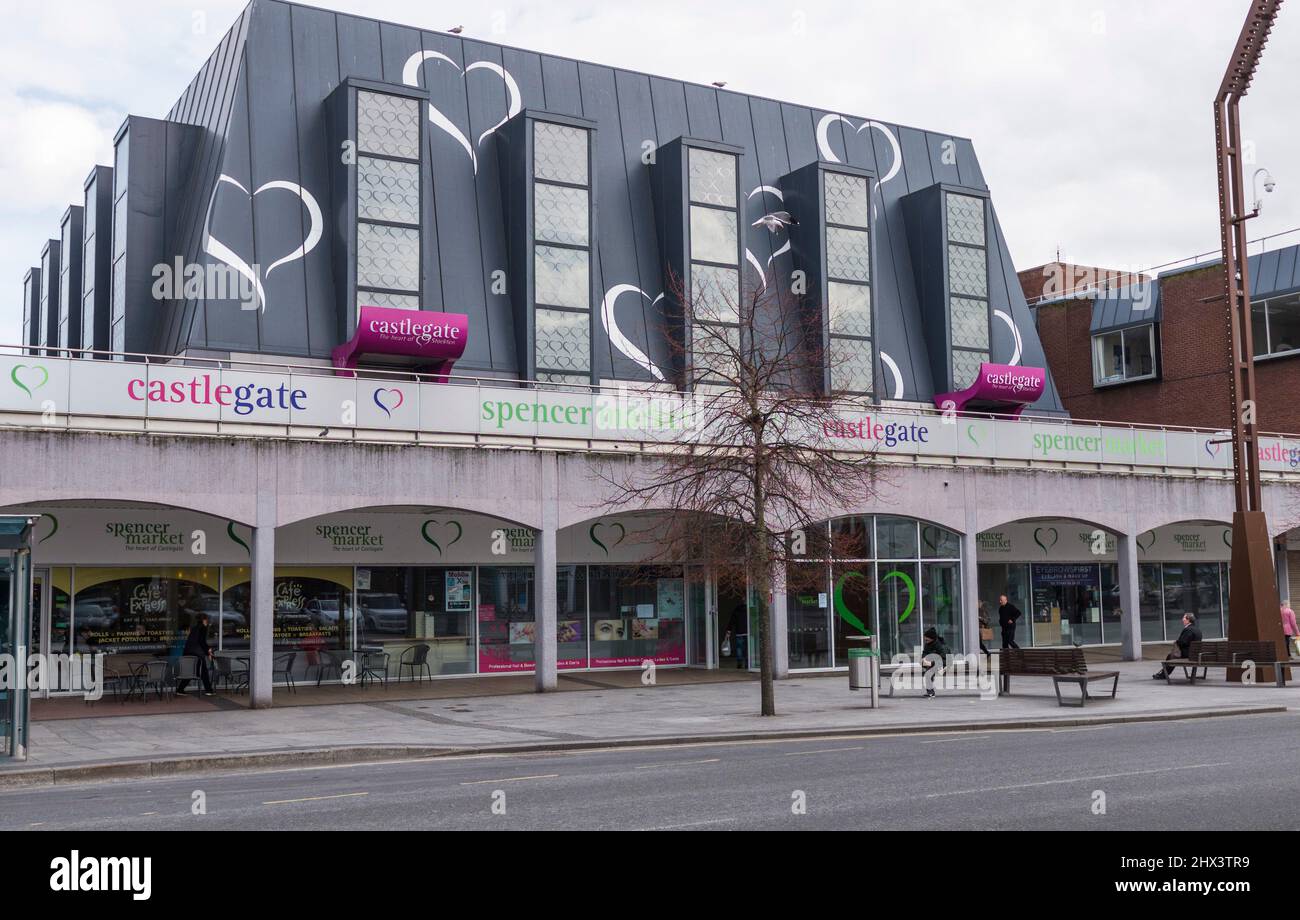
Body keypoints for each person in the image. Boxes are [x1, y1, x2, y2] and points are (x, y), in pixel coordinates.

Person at [1153, 612, 1202, 680]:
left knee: (1171, 656)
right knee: (1171, 656)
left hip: (1188, 654)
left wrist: (1177, 642)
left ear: (1188, 620)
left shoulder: (1188, 630)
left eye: (1184, 617)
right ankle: (1163, 674)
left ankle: (1163, 675)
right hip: (1195, 653)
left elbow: (1183, 642)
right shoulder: (1197, 629)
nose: (1182, 619)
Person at [176, 613, 215, 696]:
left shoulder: (194, 628)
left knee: (191, 671)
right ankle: (209, 690)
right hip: (197, 654)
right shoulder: (203, 628)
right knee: (204, 671)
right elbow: (201, 642)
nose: (208, 622)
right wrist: (208, 651)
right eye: (207, 620)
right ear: (204, 620)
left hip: (188, 652)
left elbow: (192, 641)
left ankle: (180, 689)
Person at [921, 626, 949, 698]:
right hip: (934, 663)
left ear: (931, 638)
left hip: (945, 663)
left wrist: (931, 663)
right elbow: (925, 652)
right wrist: (923, 659)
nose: (925, 639)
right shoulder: (928, 644)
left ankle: (931, 692)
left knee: (929, 673)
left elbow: (944, 659)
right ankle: (930, 692)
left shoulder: (941, 646)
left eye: (927, 638)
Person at [725, 602, 749, 669]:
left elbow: (732, 621)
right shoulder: (749, 609)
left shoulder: (736, 610)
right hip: (748, 632)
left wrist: (729, 630)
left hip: (739, 632)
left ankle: (739, 663)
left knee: (739, 648)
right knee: (747, 649)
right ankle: (747, 664)